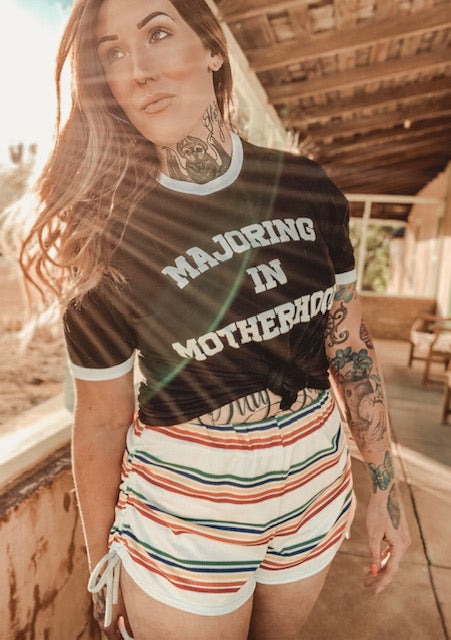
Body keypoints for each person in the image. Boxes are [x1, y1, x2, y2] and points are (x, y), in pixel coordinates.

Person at [19, 0, 410, 638]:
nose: (138, 69)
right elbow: (102, 421)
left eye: (158, 33)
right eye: (113, 53)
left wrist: (386, 487)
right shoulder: (104, 236)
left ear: (212, 49)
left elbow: (350, 349)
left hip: (315, 481)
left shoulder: (306, 186)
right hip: (187, 511)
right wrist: (101, 564)